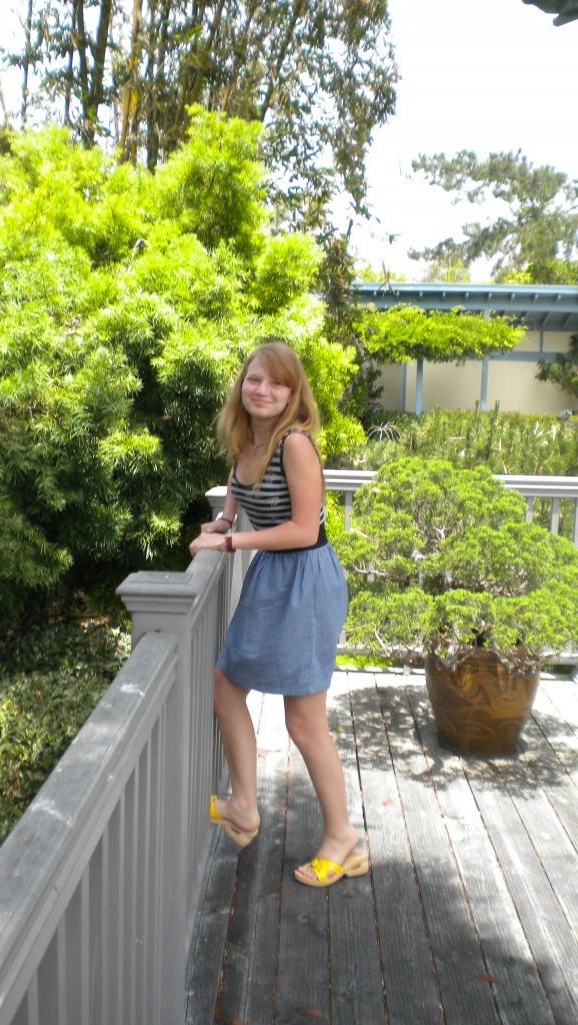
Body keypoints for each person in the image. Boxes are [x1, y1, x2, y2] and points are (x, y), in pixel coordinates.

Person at [189, 341, 367, 887]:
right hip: (271, 575)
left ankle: (343, 838)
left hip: (306, 581)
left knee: (304, 722)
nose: (261, 390)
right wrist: (224, 521)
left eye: (275, 383)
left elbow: (305, 530)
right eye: (254, 379)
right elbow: (237, 491)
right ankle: (244, 807)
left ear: (293, 394)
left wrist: (229, 543)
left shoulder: (295, 445)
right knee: (226, 684)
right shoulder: (246, 439)